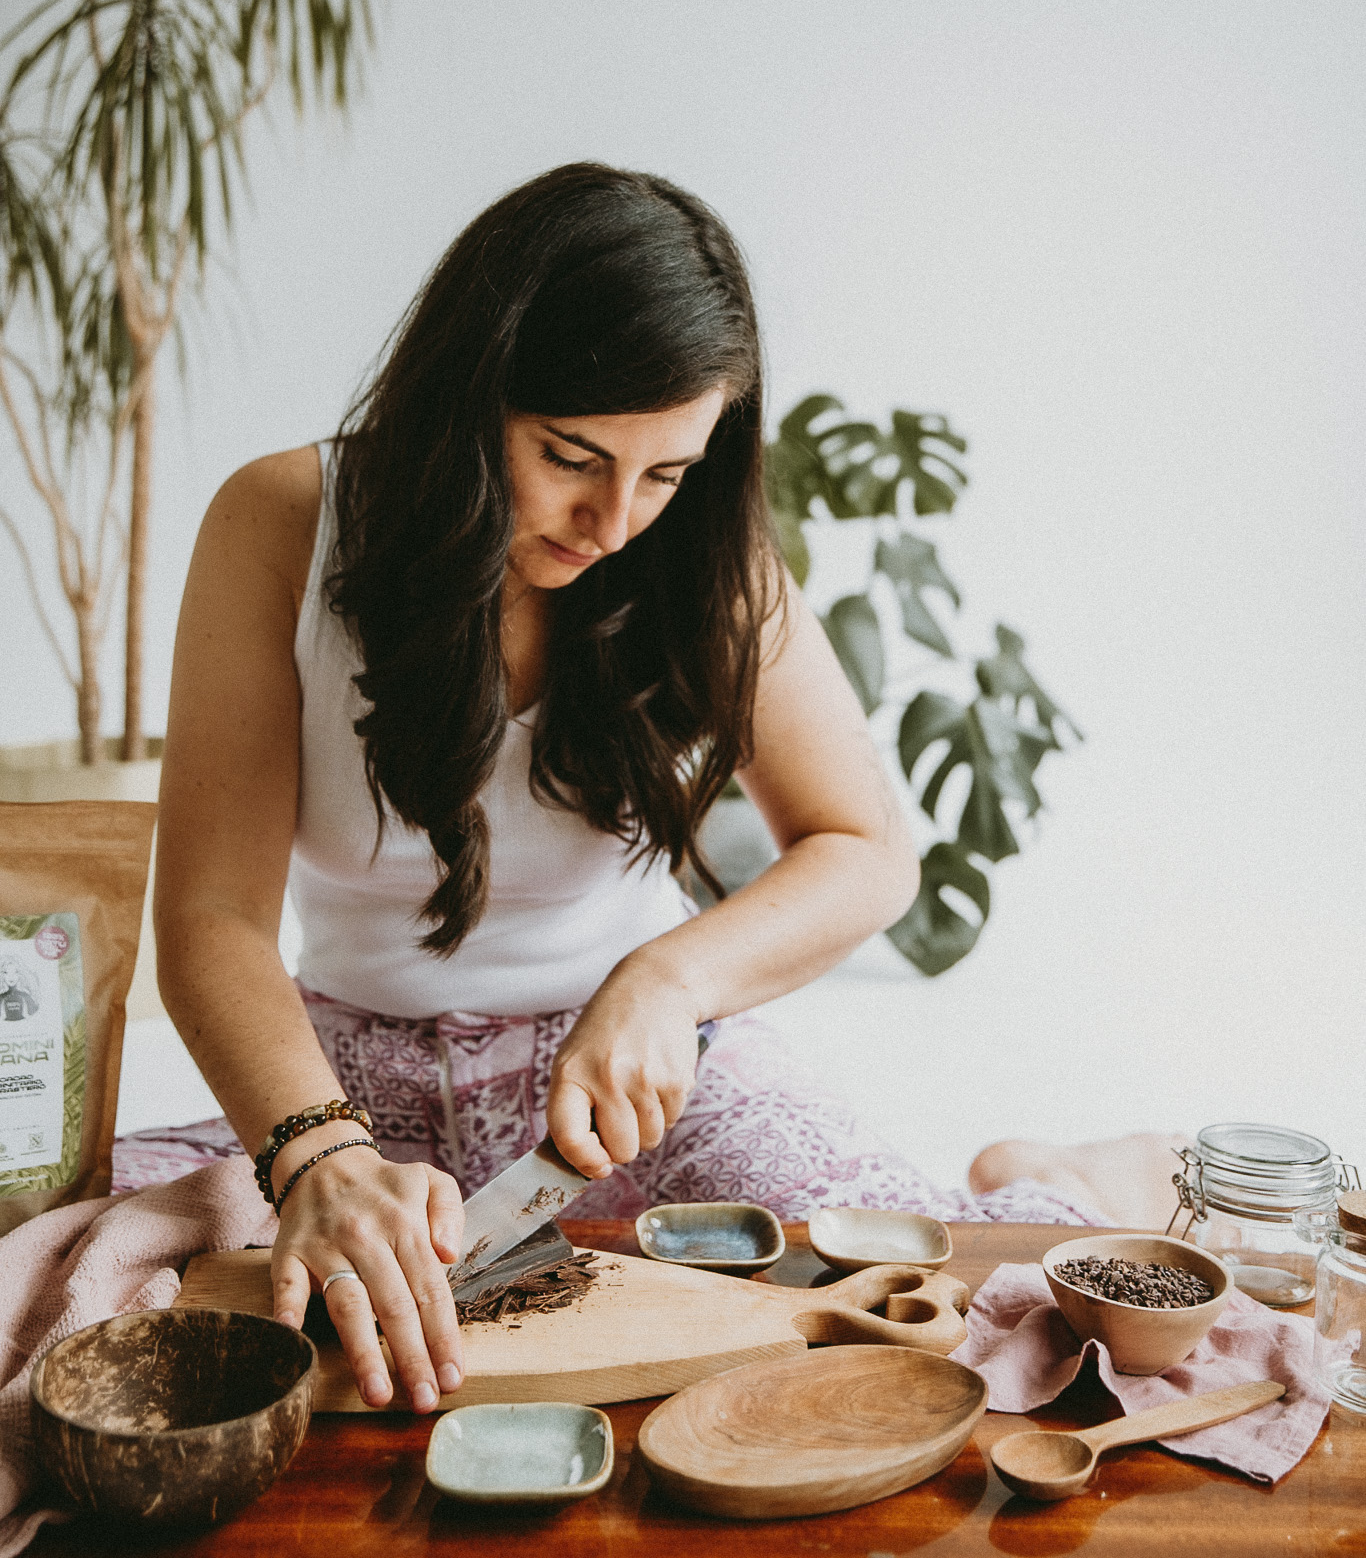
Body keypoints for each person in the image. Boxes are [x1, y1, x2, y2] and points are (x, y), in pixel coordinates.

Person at [153, 162, 1179, 1415]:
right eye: (569, 455)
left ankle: (1067, 1175)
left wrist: (667, 979)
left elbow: (863, 846)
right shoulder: (282, 522)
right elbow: (208, 916)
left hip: (628, 1081)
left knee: (945, 1311)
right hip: (339, 1077)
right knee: (171, 1326)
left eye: (666, 472)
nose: (611, 520)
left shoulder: (702, 557)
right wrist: (315, 1147)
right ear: (467, 397)